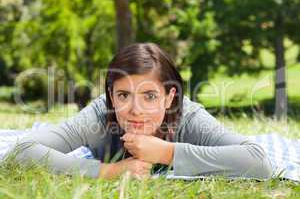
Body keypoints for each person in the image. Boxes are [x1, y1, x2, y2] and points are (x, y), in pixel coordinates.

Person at [11, 43, 273, 180]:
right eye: (124, 95)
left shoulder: (189, 116)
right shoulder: (100, 116)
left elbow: (258, 162)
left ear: (169, 97)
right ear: (112, 96)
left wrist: (166, 152)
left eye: (149, 96)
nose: (136, 111)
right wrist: (108, 172)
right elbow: (20, 152)